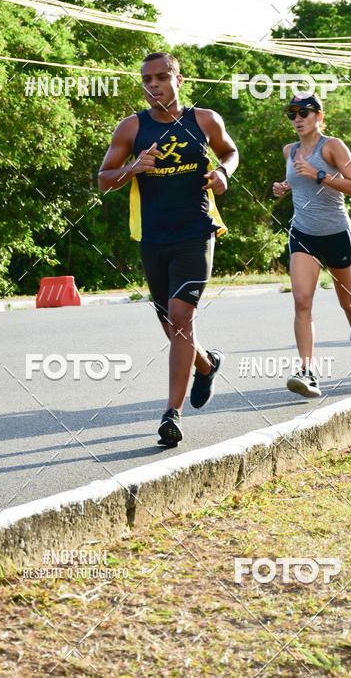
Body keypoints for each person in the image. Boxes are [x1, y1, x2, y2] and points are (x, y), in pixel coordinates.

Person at [98, 52, 239, 445]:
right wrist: (132, 169)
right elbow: (103, 180)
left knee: (180, 319)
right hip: (152, 238)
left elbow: (229, 151)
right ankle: (206, 365)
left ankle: (170, 415)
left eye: (162, 77)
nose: (153, 84)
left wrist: (223, 172)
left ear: (180, 80)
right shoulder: (131, 128)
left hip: (196, 232)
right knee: (169, 323)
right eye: (147, 79)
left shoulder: (204, 120)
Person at [273, 91, 351, 398]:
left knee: (348, 303)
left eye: (304, 113)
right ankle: (308, 372)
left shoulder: (333, 146)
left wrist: (319, 174)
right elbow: (297, 179)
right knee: (302, 301)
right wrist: (284, 186)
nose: (297, 119)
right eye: (292, 114)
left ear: (319, 116)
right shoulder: (289, 150)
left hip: (335, 233)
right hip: (303, 233)